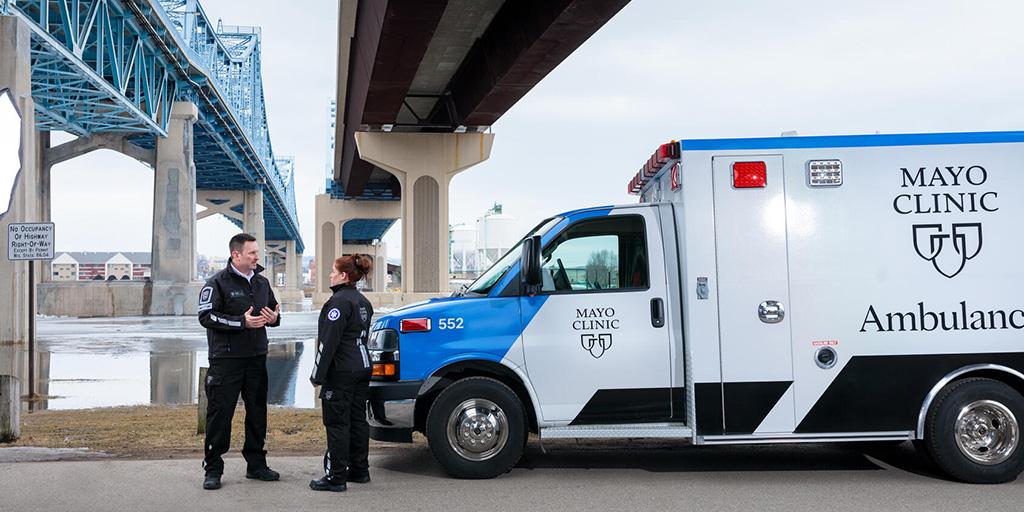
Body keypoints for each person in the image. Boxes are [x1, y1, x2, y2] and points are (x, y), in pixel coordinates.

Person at [197, 233, 282, 491]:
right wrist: (240, 323)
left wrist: (273, 318)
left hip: (256, 358)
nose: (257, 257)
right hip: (226, 360)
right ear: (236, 255)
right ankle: (213, 468)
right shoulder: (217, 283)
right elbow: (206, 316)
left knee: (258, 414)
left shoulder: (262, 283)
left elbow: (275, 313)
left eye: (257, 252)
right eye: (252, 253)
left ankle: (256, 465)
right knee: (220, 415)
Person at [309, 254, 374, 492]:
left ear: (344, 276)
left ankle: (336, 476)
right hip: (363, 367)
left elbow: (328, 342)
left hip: (342, 371)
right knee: (358, 419)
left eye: (333, 271)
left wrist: (317, 375)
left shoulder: (337, 303)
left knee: (337, 422)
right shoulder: (363, 301)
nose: (330, 275)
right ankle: (359, 470)